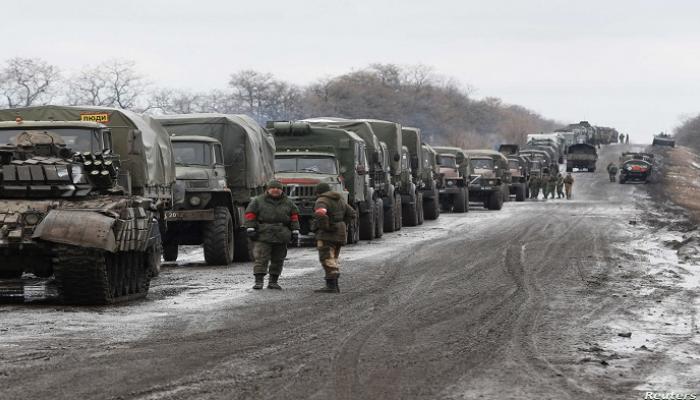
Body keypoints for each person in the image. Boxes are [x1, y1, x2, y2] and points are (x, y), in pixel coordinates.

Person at [244, 179, 300, 290]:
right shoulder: (258, 201)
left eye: (278, 188)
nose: (275, 190)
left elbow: (294, 217)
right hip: (263, 234)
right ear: (268, 189)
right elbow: (250, 214)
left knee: (278, 259)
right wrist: (250, 228)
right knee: (261, 258)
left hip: (281, 234)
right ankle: (259, 281)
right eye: (273, 188)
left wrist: (295, 231)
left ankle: (273, 282)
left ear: (281, 190)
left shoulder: (289, 203)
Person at [311, 182, 357, 293]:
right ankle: (334, 286)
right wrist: (342, 223)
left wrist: (325, 227)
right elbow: (352, 213)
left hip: (328, 234)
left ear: (318, 192)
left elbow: (321, 214)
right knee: (333, 258)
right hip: (340, 233)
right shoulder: (340, 199)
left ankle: (331, 285)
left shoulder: (322, 201)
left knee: (326, 257)